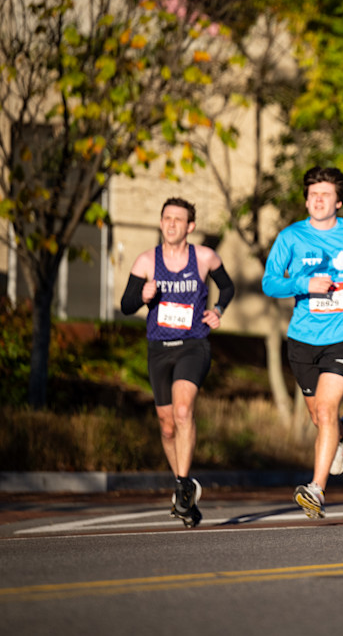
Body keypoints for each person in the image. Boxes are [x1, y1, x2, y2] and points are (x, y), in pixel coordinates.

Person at [262, 166, 343, 518]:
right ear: (306, 200)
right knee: (320, 417)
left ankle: (315, 490)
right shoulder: (291, 237)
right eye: (313, 195)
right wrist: (302, 285)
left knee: (327, 410)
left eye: (325, 195)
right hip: (302, 339)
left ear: (339, 202)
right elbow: (270, 283)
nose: (318, 200)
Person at [120, 197, 235, 528]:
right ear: (161, 223)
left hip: (193, 345)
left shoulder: (204, 257)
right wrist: (142, 296)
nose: (171, 224)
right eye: (166, 218)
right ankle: (182, 485)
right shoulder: (145, 262)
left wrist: (218, 311)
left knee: (184, 411)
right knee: (167, 424)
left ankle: (184, 487)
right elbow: (127, 305)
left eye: (178, 219)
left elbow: (227, 287)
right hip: (159, 348)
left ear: (190, 227)